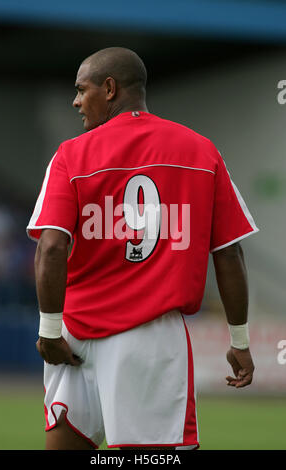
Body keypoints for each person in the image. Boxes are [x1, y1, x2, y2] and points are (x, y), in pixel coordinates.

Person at [27, 47, 259, 450]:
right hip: (149, 342)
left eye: (82, 90)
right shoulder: (201, 151)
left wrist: (49, 332)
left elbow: (50, 248)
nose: (76, 101)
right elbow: (228, 253)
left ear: (110, 88)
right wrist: (239, 340)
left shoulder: (70, 154)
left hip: (74, 336)